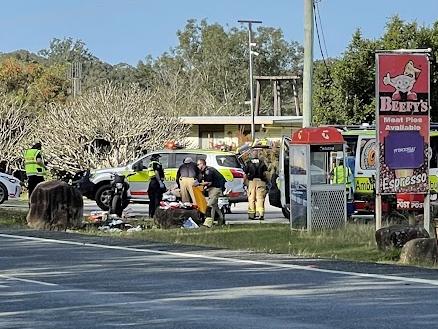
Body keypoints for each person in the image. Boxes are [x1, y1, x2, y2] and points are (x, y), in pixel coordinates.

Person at [197, 158, 226, 227]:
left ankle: (209, 223)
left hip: (216, 188)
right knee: (215, 206)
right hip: (214, 188)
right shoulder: (206, 170)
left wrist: (199, 184)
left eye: (198, 164)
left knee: (210, 205)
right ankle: (221, 220)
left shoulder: (208, 171)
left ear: (202, 164)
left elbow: (209, 182)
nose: (197, 166)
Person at [243, 149, 268, 220]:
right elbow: (265, 173)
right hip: (261, 181)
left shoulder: (248, 163)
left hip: (251, 182)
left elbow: (245, 174)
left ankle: (252, 215)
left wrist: (245, 183)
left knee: (251, 198)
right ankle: (260, 214)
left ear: (252, 154)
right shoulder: (262, 162)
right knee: (260, 198)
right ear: (258, 154)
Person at [147, 154, 165, 218]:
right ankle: (156, 215)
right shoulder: (156, 163)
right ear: (155, 158)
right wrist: (160, 181)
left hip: (152, 182)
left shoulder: (150, 164)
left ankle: (151, 214)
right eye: (158, 158)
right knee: (157, 199)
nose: (158, 159)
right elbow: (156, 172)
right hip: (156, 182)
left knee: (152, 200)